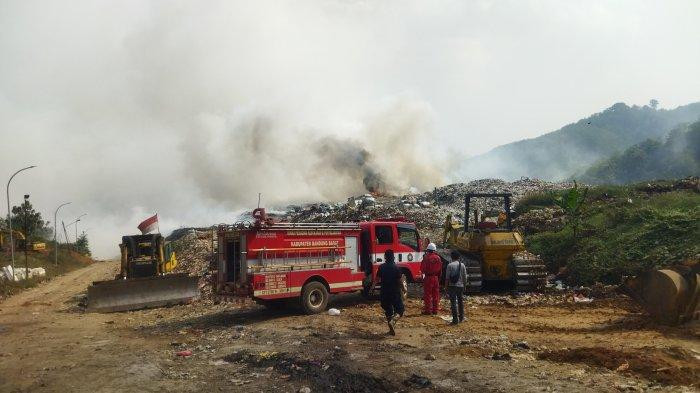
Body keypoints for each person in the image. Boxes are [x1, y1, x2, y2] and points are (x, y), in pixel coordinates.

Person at [378, 249, 404, 335]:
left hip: (384, 292)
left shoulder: (381, 267)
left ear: (385, 257)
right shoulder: (396, 268)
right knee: (400, 309)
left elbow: (376, 279)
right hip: (394, 292)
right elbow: (400, 281)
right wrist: (404, 289)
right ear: (393, 257)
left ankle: (391, 329)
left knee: (388, 310)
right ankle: (393, 321)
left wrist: (371, 289)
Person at [444, 250, 467, 324]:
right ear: (459, 257)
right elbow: (465, 277)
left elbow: (447, 278)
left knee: (453, 303)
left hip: (452, 286)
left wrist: (446, 288)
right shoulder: (462, 265)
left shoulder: (449, 265)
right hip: (460, 286)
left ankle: (455, 320)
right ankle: (461, 317)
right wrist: (465, 285)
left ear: (451, 257)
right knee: (460, 302)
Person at [420, 242, 442, 315]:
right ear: (434, 250)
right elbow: (440, 270)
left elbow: (422, 269)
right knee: (436, 294)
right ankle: (435, 310)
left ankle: (428, 310)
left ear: (428, 250)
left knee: (427, 295)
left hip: (428, 278)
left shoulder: (426, 257)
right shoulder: (438, 258)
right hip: (435, 277)